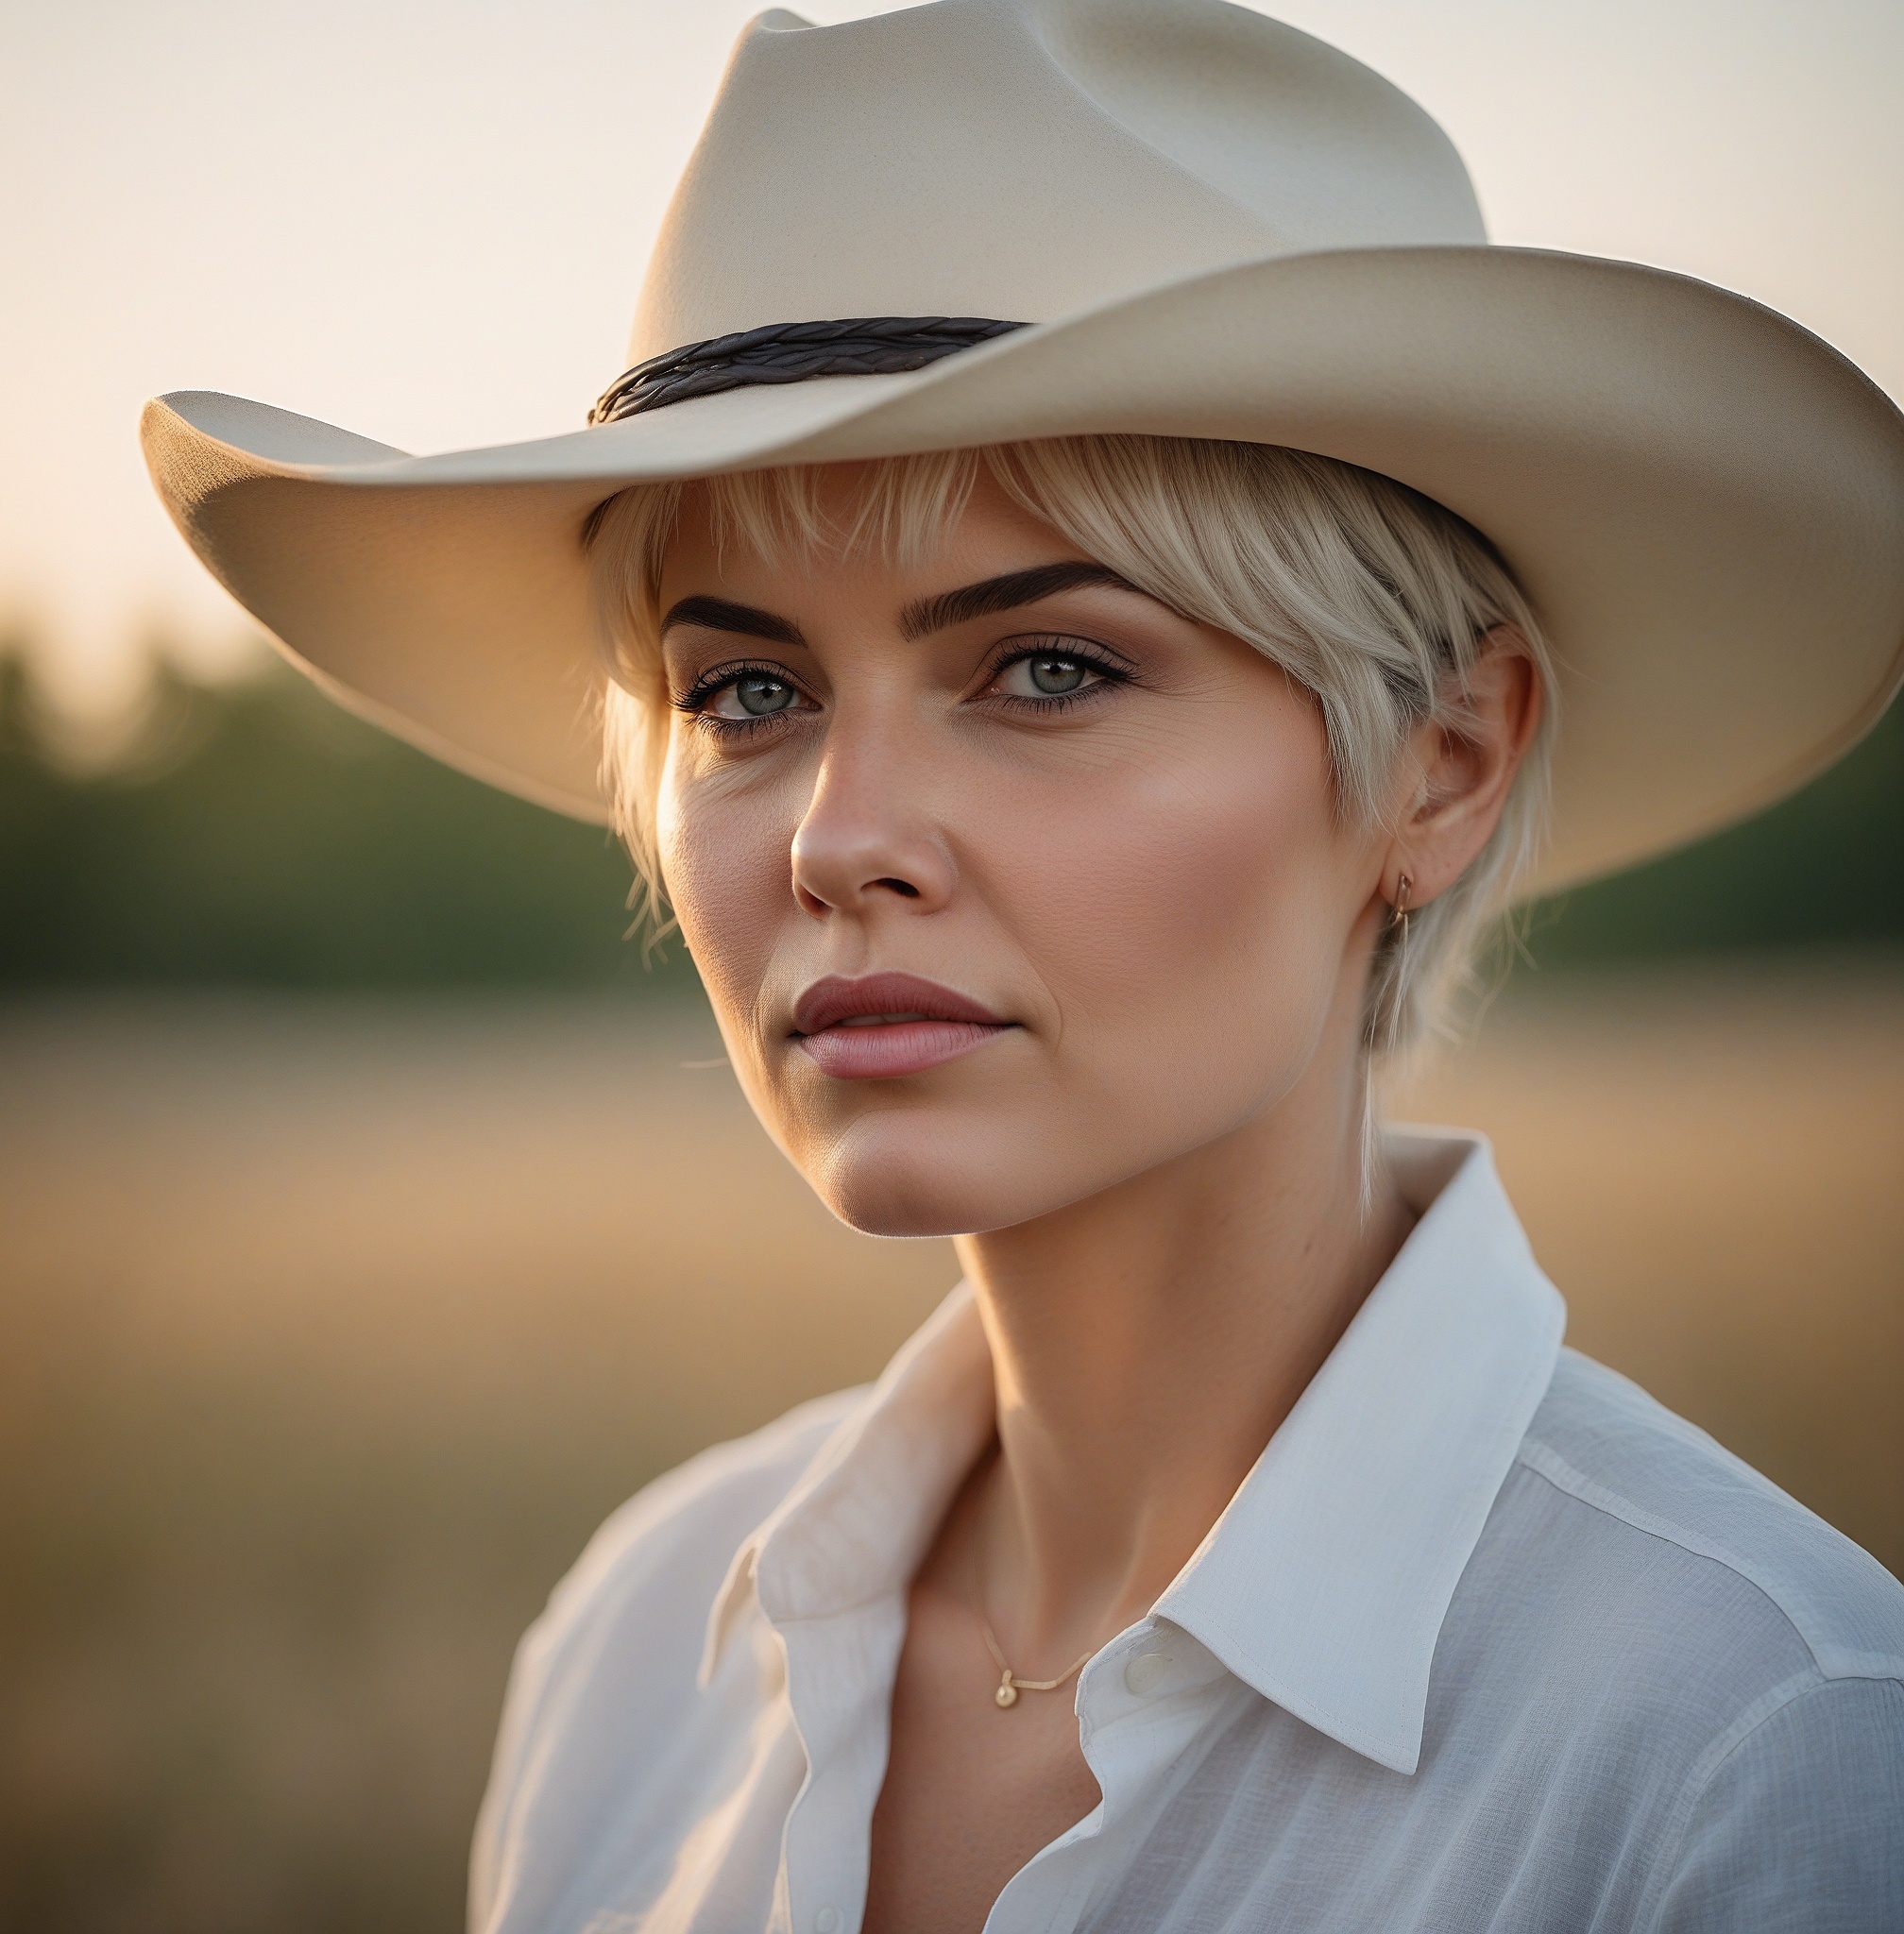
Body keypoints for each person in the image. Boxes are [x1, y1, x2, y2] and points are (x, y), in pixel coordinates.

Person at [142, 3, 1904, 1928]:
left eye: (1047, 666)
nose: (835, 836)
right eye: (746, 691)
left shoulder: (1756, 1752)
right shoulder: (641, 1653)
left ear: (1441, 761)